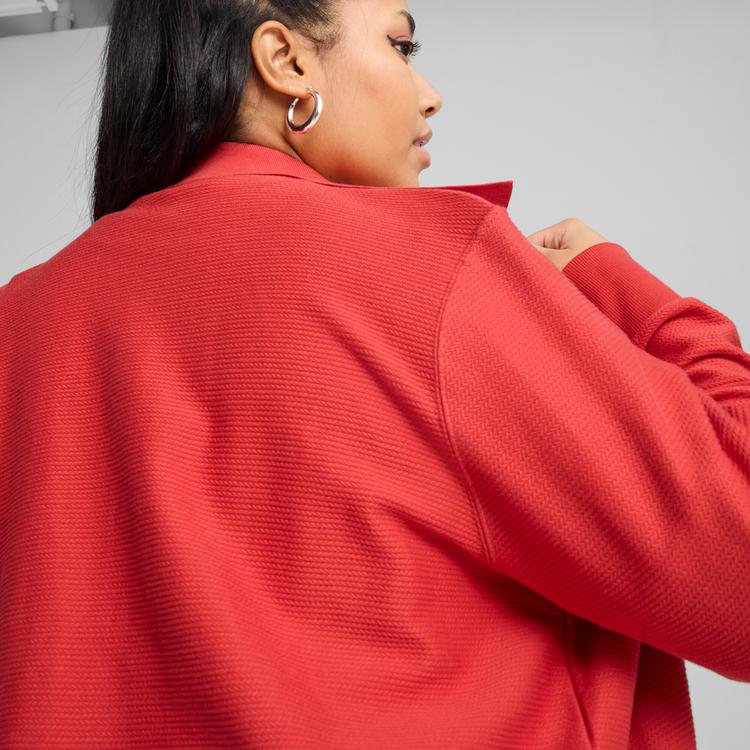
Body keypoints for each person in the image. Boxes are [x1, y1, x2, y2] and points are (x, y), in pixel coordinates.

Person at [1, 1, 749, 748]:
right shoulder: (431, 275)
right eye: (401, 45)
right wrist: (616, 287)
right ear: (286, 61)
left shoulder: (18, 321)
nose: (430, 95)